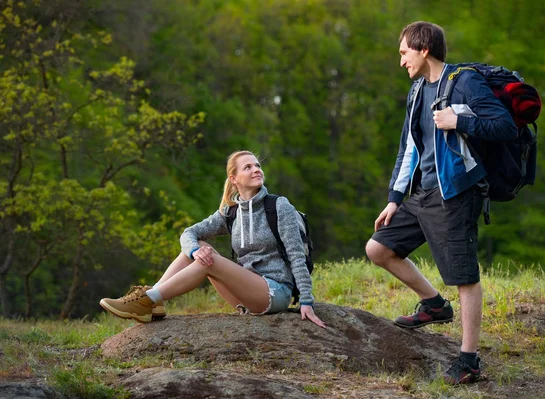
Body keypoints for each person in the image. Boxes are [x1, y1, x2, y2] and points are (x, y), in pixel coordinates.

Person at [365, 21, 516, 384]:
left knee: (464, 277)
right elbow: (408, 149)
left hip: (456, 194)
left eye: (403, 52)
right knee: (378, 249)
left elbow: (504, 127)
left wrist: (459, 119)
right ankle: (434, 305)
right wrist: (395, 199)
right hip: (422, 193)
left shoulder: (464, 82)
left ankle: (469, 359)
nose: (401, 61)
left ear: (423, 48)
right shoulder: (416, 91)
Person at [100, 150, 326, 328]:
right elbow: (189, 233)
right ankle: (153, 301)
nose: (256, 169)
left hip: (275, 292)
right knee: (201, 248)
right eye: (248, 167)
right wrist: (193, 252)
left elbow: (297, 255)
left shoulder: (279, 206)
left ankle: (147, 299)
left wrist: (306, 301)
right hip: (245, 292)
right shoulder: (231, 212)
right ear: (234, 178)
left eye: (258, 165)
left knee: (209, 260)